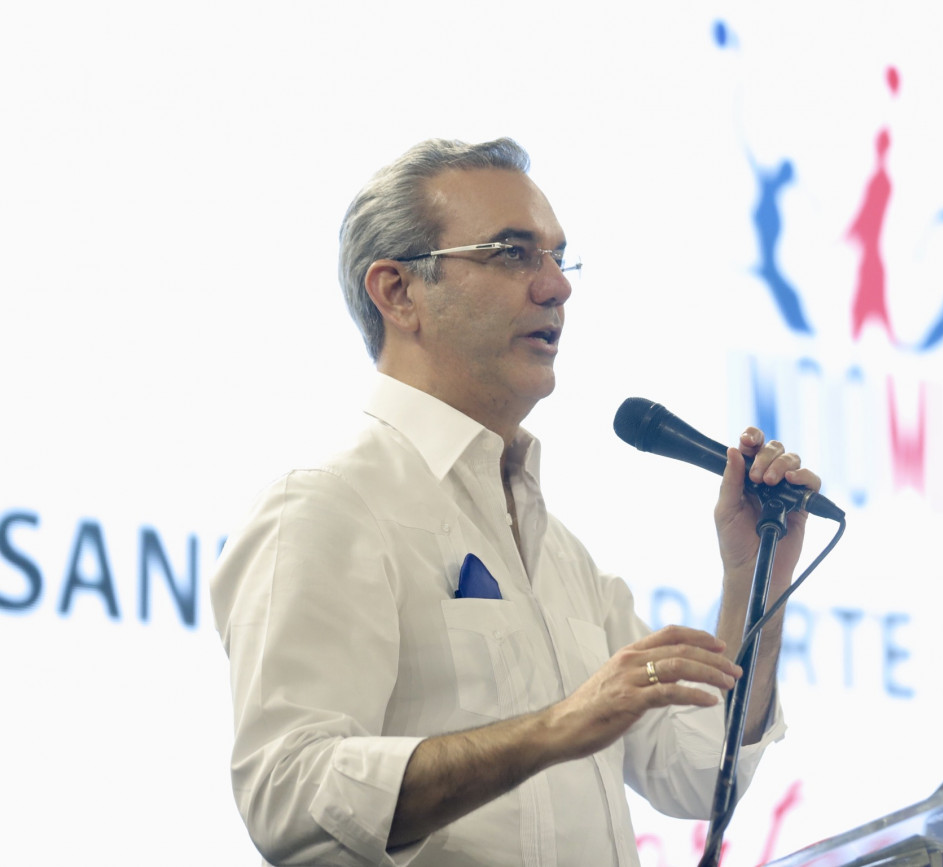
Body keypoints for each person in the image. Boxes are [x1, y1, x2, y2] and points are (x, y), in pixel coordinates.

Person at [210, 137, 820, 866]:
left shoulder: (562, 555)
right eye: (511, 253)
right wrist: (555, 727)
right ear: (398, 292)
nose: (557, 287)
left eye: (558, 257)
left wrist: (756, 577)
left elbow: (696, 774)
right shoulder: (324, 506)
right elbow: (290, 792)